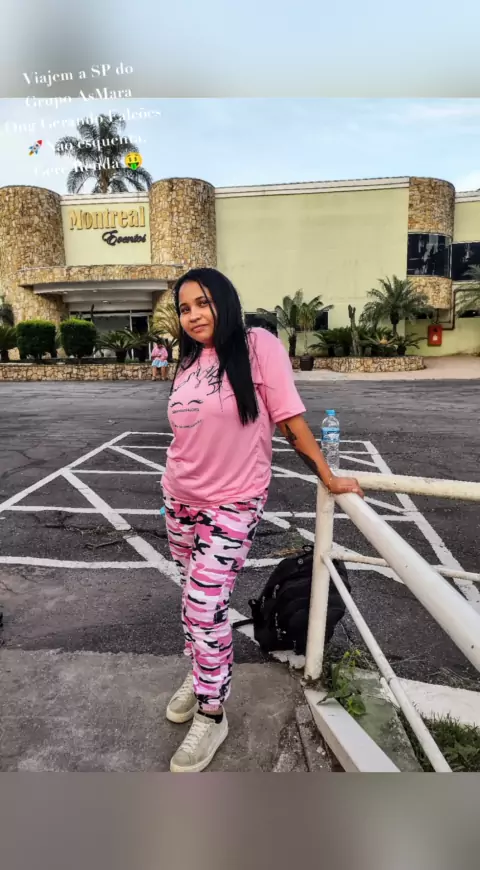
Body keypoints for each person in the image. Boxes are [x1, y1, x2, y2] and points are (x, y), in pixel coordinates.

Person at [161, 267, 364, 773]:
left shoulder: (258, 346)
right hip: (179, 499)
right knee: (191, 597)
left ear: (225, 301)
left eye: (203, 303)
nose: (193, 315)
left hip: (232, 503)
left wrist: (328, 476)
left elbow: (290, 419)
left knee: (205, 605)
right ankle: (200, 674)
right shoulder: (189, 360)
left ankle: (212, 712)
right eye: (184, 308)